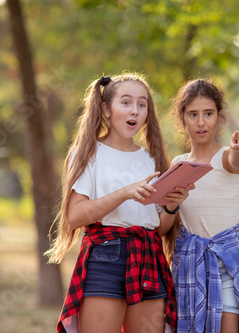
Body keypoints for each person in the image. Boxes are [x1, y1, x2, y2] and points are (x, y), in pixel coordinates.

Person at [46, 73, 194, 333]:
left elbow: (158, 228)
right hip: (106, 256)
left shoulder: (152, 158)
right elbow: (76, 216)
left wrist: (172, 205)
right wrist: (124, 192)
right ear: (105, 108)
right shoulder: (89, 154)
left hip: (148, 255)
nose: (134, 111)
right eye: (125, 102)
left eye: (141, 104)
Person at [164, 78, 239, 333]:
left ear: (219, 117)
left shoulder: (225, 156)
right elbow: (164, 226)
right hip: (188, 268)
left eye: (208, 114)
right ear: (182, 119)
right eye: (193, 114)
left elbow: (236, 161)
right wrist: (172, 206)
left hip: (224, 265)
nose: (201, 122)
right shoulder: (178, 164)